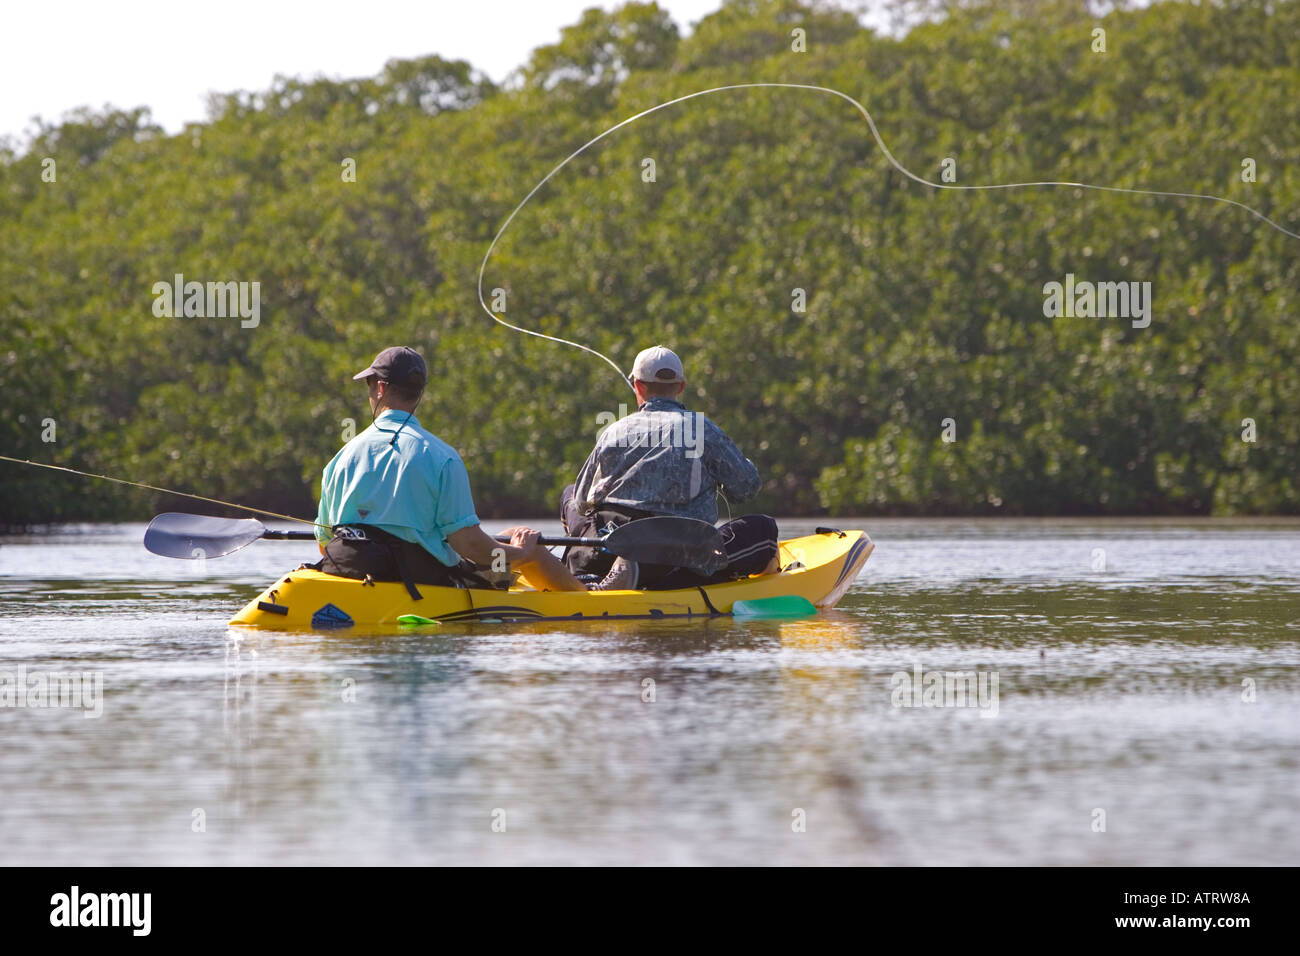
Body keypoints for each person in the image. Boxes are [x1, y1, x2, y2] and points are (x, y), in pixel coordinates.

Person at [315, 346, 583, 596]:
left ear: (381, 388)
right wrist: (520, 553)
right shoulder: (442, 457)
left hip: (352, 573)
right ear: (418, 393)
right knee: (524, 543)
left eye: (370, 385)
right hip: (421, 582)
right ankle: (589, 597)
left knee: (510, 533)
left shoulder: (340, 458)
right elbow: (469, 546)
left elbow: (325, 542)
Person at [561, 345, 780, 590]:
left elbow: (581, 503)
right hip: (676, 554)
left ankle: (591, 568)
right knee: (763, 527)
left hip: (610, 545)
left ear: (638, 386)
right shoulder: (700, 428)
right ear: (681, 387)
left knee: (569, 493)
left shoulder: (613, 430)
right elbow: (747, 488)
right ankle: (653, 575)